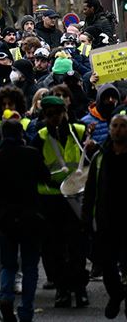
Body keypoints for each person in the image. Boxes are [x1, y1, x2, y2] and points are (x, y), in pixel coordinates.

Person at [29, 95, 89, 308]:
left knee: (76, 247)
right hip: (50, 200)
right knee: (54, 249)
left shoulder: (79, 133)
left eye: (58, 113)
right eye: (50, 115)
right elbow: (34, 168)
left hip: (74, 198)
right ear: (45, 115)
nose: (55, 118)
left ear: (64, 113)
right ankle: (63, 289)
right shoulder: (39, 137)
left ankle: (79, 288)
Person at [0, 119, 50, 321]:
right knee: (31, 265)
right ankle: (26, 310)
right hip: (31, 214)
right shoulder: (31, 154)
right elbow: (45, 177)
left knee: (8, 263)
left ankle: (6, 296)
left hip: (6, 215)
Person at [83, 112, 127, 319]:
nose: (118, 130)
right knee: (107, 264)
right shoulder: (100, 156)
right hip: (106, 219)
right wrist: (86, 217)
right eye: (114, 126)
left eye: (122, 126)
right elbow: (91, 189)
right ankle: (116, 294)